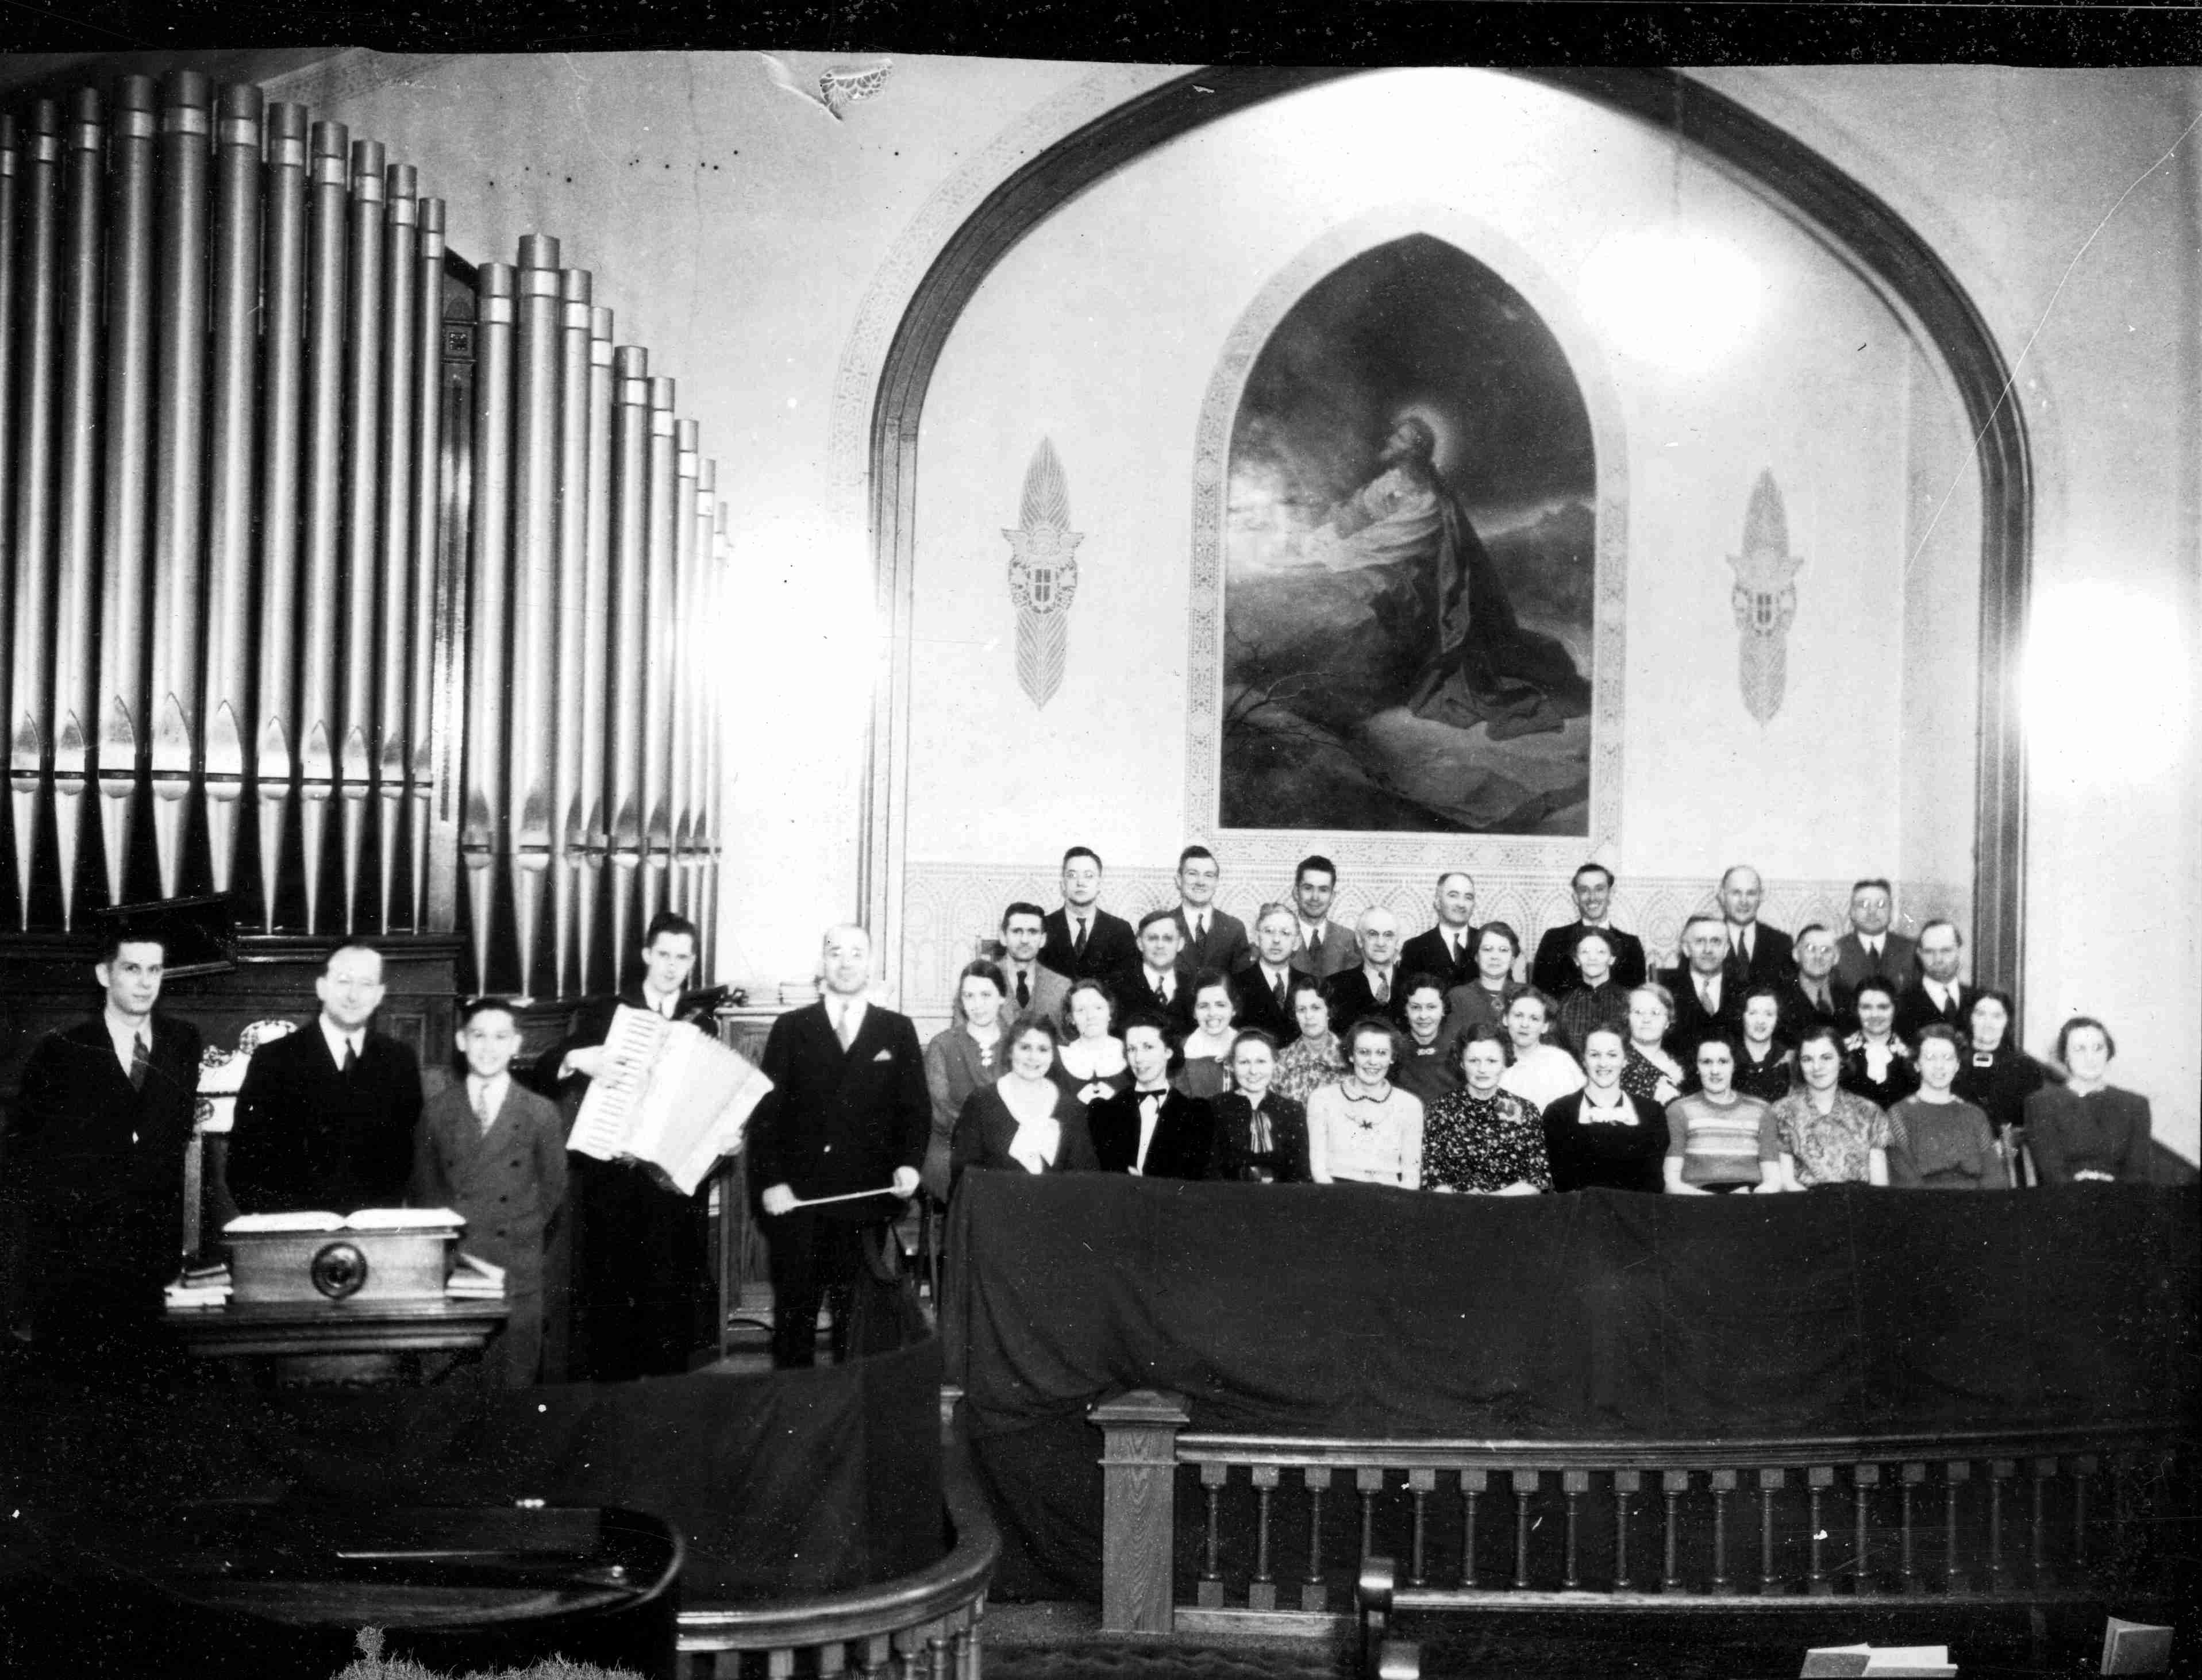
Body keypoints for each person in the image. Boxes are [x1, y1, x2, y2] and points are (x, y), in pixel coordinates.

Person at [1304, 413, 1588, 739]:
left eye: (1398, 439)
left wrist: (1320, 551)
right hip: (1395, 561)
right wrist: (1329, 528)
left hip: (1434, 585)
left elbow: (1377, 543)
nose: (1389, 441)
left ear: (1412, 451)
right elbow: (1358, 515)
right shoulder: (1395, 479)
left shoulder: (1428, 504)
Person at [5, 926, 202, 1366]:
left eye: (155, 970)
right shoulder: (61, 1049)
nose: (146, 982)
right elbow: (26, 1158)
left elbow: (175, 1137)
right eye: (132, 969)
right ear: (104, 974)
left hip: (155, 1257)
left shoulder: (183, 1042)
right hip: (82, 1261)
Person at [541, 910, 724, 1381]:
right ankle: (610, 1418)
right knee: (611, 1305)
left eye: (681, 958)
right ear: (646, 955)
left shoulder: (704, 1025)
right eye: (663, 954)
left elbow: (711, 1103)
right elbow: (544, 1067)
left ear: (692, 963)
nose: (670, 966)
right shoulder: (607, 1013)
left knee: (669, 1308)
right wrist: (579, 1057)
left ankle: (661, 1421)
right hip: (615, 1181)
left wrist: (726, 1134)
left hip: (673, 1187)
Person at [752, 924, 929, 1369]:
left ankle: (851, 1423)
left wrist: (909, 1165)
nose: (846, 962)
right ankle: (794, 1420)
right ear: (822, 964)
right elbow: (767, 1114)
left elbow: (915, 1111)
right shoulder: (791, 1028)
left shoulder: (897, 1029)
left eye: (856, 953)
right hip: (799, 1201)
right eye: (836, 953)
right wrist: (773, 1182)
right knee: (795, 1320)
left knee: (858, 1324)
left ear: (870, 964)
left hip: (865, 1201)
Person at [409, 996, 569, 1385]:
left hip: (515, 1271)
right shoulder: (437, 1111)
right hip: (457, 1272)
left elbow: (552, 1190)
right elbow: (425, 1191)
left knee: (512, 1393)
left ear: (517, 1044)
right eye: (479, 1035)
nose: (489, 1047)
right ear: (462, 1041)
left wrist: (518, 1233)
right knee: (455, 1391)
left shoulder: (540, 1112)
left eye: (501, 1037)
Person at [230, 941, 422, 1215]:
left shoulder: (400, 1061)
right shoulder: (274, 1060)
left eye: (366, 984)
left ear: (380, 995)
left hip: (373, 1233)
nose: (353, 995)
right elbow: (244, 1163)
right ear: (321, 987)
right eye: (343, 981)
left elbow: (407, 1161)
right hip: (292, 1233)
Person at [949, 1016, 1099, 1189]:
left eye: (1043, 1050)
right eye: (1025, 1047)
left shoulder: (1071, 1108)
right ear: (1010, 1051)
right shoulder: (980, 1102)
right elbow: (965, 1177)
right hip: (994, 1208)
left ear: (1052, 1056)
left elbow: (1085, 1178)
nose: (1033, 1057)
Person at [921, 961, 1011, 1201]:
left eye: (986, 995)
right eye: (969, 996)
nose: (977, 1005)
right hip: (952, 1143)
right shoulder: (943, 1045)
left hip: (1012, 1141)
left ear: (1002, 997)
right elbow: (940, 1110)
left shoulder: (1018, 1042)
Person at [1422, 1027, 1550, 1195]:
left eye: (1492, 1061)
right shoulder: (1439, 1109)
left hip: (1512, 1211)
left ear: (1505, 1063)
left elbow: (1537, 1178)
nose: (1482, 1069)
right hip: (1454, 1210)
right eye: (1474, 1061)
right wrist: (1462, 1200)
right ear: (1461, 1063)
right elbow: (1431, 1176)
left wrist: (1491, 1199)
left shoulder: (1526, 1110)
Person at [2026, 1016, 2154, 1185]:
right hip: (2065, 1202)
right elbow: (2052, 1174)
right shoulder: (2041, 1104)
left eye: (2098, 1048)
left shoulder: (2136, 1105)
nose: (2090, 1058)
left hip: (2121, 1203)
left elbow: (2137, 1175)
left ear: (2109, 1052)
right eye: (2080, 1049)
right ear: (2065, 1056)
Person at [1541, 1027, 1669, 1193]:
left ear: (1625, 1060)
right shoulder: (1558, 1113)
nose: (1603, 1063)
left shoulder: (1652, 1113)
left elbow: (1655, 1184)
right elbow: (1560, 1182)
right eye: (1595, 1055)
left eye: (1612, 1055)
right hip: (1579, 1214)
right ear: (1583, 1060)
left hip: (1636, 1214)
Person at [1090, 1017, 1214, 1179]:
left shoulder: (1196, 1114)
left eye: (1148, 1047)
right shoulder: (1103, 1112)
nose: (1138, 1058)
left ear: (1168, 1052)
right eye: (1131, 1049)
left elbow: (1195, 1180)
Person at [1306, 1019, 1425, 1188]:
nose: (1373, 1061)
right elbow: (1318, 1170)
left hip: (1390, 1199)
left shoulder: (1410, 1106)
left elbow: (1411, 1177)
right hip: (1335, 1196)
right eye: (1364, 1052)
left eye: (1382, 1053)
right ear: (1351, 1055)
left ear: (1393, 1057)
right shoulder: (1321, 1099)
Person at [1887, 1026, 2008, 1190]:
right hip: (1924, 1208)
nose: (1940, 1066)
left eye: (1948, 1058)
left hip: (1977, 1207)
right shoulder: (1899, 1114)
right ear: (1917, 1064)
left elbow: (1995, 1178)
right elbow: (1906, 1183)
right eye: (1930, 1058)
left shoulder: (1975, 1114)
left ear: (1957, 1065)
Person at [1774, 1024, 1892, 1190]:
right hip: (1804, 1204)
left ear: (1842, 1060)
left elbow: (1879, 1186)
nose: (1817, 1067)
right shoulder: (1782, 1111)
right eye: (1808, 1059)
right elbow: (1786, 1182)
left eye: (1826, 1058)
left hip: (1860, 1205)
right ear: (1799, 1064)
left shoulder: (1870, 1112)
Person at [1663, 1035, 1781, 1194]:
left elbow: (1773, 1181)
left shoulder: (1762, 1110)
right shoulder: (1678, 1110)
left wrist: (1753, 1197)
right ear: (1696, 1067)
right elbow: (1671, 1184)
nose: (1715, 1071)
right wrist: (1717, 1202)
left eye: (1723, 1062)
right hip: (1697, 1204)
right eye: (1706, 1062)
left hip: (1748, 1202)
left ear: (1735, 1065)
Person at [1951, 989, 2044, 1180]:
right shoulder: (1950, 1061)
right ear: (1969, 1018)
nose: (1988, 1023)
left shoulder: (2026, 1066)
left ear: (2007, 1021)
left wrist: (2007, 1143)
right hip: (1956, 1160)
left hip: (2009, 1161)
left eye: (1997, 1016)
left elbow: (2035, 1124)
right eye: (1981, 1014)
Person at [1530, 863, 1649, 999]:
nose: (1592, 897)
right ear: (1575, 897)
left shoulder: (1631, 945)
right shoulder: (1554, 940)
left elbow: (1637, 1001)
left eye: (1599, 889)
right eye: (1584, 890)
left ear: (1610, 894)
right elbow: (1540, 997)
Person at [1210, 1030, 1310, 1182]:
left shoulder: (1293, 1110)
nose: (1253, 1071)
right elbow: (1210, 1172)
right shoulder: (1214, 1107)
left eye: (1261, 1062)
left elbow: (1300, 1172)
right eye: (1244, 1062)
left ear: (1275, 1063)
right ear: (1231, 1065)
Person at [1040, 846, 1138, 982]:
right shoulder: (1044, 927)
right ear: (1063, 885)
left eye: (1089, 876)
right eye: (1072, 875)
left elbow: (1128, 986)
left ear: (1099, 885)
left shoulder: (1120, 931)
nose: (1080, 882)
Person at [1664, 912, 1744, 1059]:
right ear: (1686, 949)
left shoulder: (1744, 991)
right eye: (1700, 941)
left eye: (1716, 941)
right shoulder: (1665, 992)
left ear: (1726, 949)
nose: (1708, 949)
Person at [1497, 989, 1585, 1113]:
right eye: (1518, 1016)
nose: (1525, 1024)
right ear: (1505, 1019)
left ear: (1545, 1026)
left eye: (1534, 1019)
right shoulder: (1492, 1061)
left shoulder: (1561, 1062)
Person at [1168, 846, 1249, 979]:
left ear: (1216, 882)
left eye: (1208, 875)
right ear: (1178, 879)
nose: (1201, 882)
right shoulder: (1160, 926)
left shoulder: (1234, 929)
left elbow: (1243, 986)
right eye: (1193, 874)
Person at [1325, 906, 1409, 1030]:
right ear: (1359, 940)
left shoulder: (1413, 983)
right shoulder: (1334, 986)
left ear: (1397, 941)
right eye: (1373, 934)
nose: (1381, 943)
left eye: (1388, 935)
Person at [1893, 921, 1977, 1045]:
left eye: (1946, 951)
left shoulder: (1978, 1000)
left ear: (1960, 951)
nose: (1938, 959)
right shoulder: (1901, 1004)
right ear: (1919, 954)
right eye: (1929, 952)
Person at [1553, 928, 1633, 1058]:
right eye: (1585, 952)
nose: (1592, 958)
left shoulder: (1628, 1001)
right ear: (1576, 960)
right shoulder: (1564, 1004)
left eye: (1601, 952)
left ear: (1612, 959)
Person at [1841, 978, 1920, 1109]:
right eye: (1866, 1007)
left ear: (1895, 1009)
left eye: (1883, 1007)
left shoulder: (1911, 1056)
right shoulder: (1841, 1053)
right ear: (1856, 1010)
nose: (1875, 1015)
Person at [1115, 908, 1195, 1035]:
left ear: (1180, 944)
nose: (1160, 945)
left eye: (1168, 939)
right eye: (1152, 938)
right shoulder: (1118, 986)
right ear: (1140, 944)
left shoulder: (1193, 987)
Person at [1230, 901, 1303, 1042]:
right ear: (1257, 938)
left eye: (1285, 933)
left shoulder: (1308, 984)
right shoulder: (1236, 985)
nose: (1276, 940)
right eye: (1269, 931)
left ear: (1296, 942)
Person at [1054, 978, 1133, 1105]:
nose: (1090, 1016)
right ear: (1071, 1018)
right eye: (1081, 1010)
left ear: (1110, 1012)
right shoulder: (1058, 1057)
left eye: (1098, 1008)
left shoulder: (1131, 1052)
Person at [1399, 871, 1481, 991]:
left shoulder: (1487, 943)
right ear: (1437, 902)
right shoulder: (1415, 948)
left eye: (1468, 897)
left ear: (1474, 905)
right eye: (1453, 895)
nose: (1461, 904)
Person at [1834, 878, 1918, 993]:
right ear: (1852, 912)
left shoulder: (1911, 950)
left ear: (1891, 911)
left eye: (1881, 905)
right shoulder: (1836, 950)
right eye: (1864, 905)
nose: (1872, 912)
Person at [1273, 977, 1349, 1105]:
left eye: (1316, 1008)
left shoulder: (1350, 1059)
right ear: (1295, 1015)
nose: (1308, 1016)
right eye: (1302, 1010)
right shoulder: (1280, 1062)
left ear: (1329, 1011)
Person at [1443, 921, 1525, 1038]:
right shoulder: (1458, 997)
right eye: (1487, 949)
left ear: (1513, 959)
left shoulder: (1527, 995)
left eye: (1503, 950)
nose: (1495, 957)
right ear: (1476, 957)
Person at [1716, 865, 1793, 988]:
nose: (1744, 901)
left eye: (1751, 893)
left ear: (1761, 896)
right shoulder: (1704, 940)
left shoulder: (1781, 943)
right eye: (1736, 893)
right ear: (1722, 895)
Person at [1391, 974, 1462, 1107]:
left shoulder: (1458, 1049)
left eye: (1431, 1007)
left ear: (1443, 1010)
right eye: (1415, 1007)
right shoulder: (1394, 1049)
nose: (1423, 1016)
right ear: (1405, 1011)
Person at [1776, 923, 1857, 1040]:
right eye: (1810, 949)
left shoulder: (1849, 997)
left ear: (1836, 958)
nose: (1818, 956)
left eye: (1826, 950)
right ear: (1796, 954)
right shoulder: (1779, 999)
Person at [1287, 854, 1361, 980]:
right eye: (1308, 888)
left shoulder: (1349, 940)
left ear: (1332, 896)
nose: (1315, 897)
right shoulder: (1281, 936)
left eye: (1323, 890)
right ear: (1296, 893)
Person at [996, 901, 1072, 1022]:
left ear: (1043, 939)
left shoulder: (1062, 987)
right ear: (1003, 937)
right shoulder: (979, 982)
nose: (1025, 940)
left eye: (1033, 932)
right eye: (1017, 931)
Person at [1619, 983, 1687, 1108]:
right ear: (1627, 1018)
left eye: (1655, 1013)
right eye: (1638, 1012)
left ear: (1668, 1021)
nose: (1646, 1020)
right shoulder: (1617, 1063)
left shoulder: (1681, 1063)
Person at [1173, 970, 1239, 1100]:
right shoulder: (1181, 1052)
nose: (1212, 1013)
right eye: (1203, 1006)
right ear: (1194, 1012)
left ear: (1234, 1009)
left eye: (1221, 1005)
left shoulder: (1249, 1046)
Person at [1731, 985, 1796, 1103]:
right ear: (1742, 1016)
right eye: (1753, 1013)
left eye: (1769, 1014)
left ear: (1778, 1018)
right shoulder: (1728, 1057)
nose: (1760, 1021)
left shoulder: (1790, 1061)